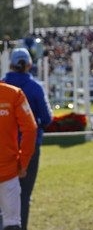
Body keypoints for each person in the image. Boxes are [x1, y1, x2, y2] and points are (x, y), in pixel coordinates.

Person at [2, 48, 53, 230]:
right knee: (23, 196)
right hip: (29, 149)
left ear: (10, 65)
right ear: (29, 65)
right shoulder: (35, 87)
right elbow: (46, 119)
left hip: (6, 148)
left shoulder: (5, 85)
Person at [0, 78, 38, 230]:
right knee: (12, 222)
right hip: (8, 172)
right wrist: (23, 162)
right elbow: (31, 129)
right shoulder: (13, 94)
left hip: (9, 170)